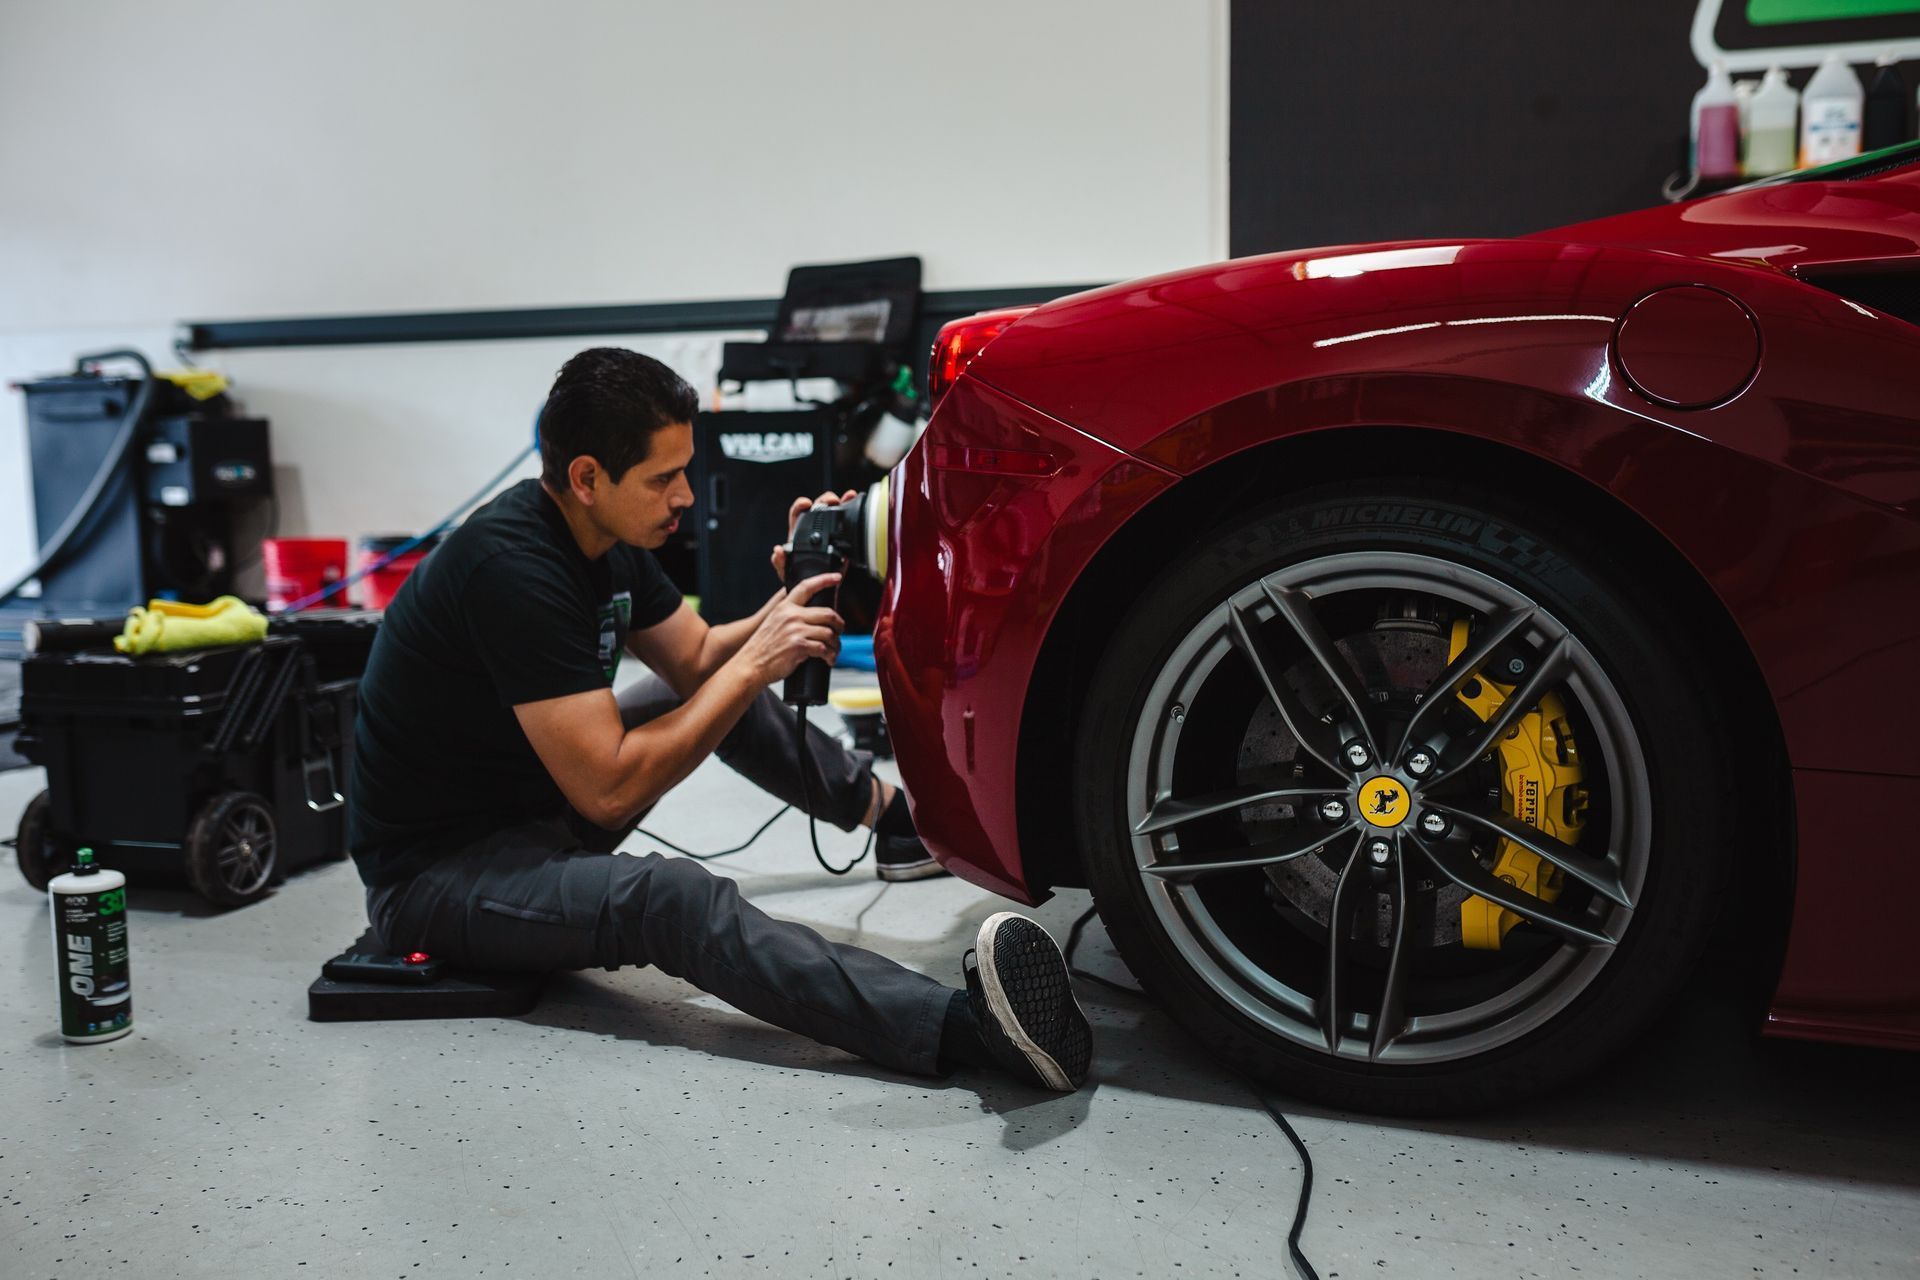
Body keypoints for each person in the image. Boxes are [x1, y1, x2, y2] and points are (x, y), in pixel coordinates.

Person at [345, 346, 1092, 1090]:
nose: (684, 498)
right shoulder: (509, 568)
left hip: (534, 813)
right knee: (672, 899)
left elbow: (698, 659)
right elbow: (606, 790)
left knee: (702, 696)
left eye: (684, 471)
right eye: (663, 478)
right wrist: (753, 663)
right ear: (586, 478)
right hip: (439, 877)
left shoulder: (605, 535)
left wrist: (799, 589)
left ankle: (894, 821)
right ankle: (966, 1030)